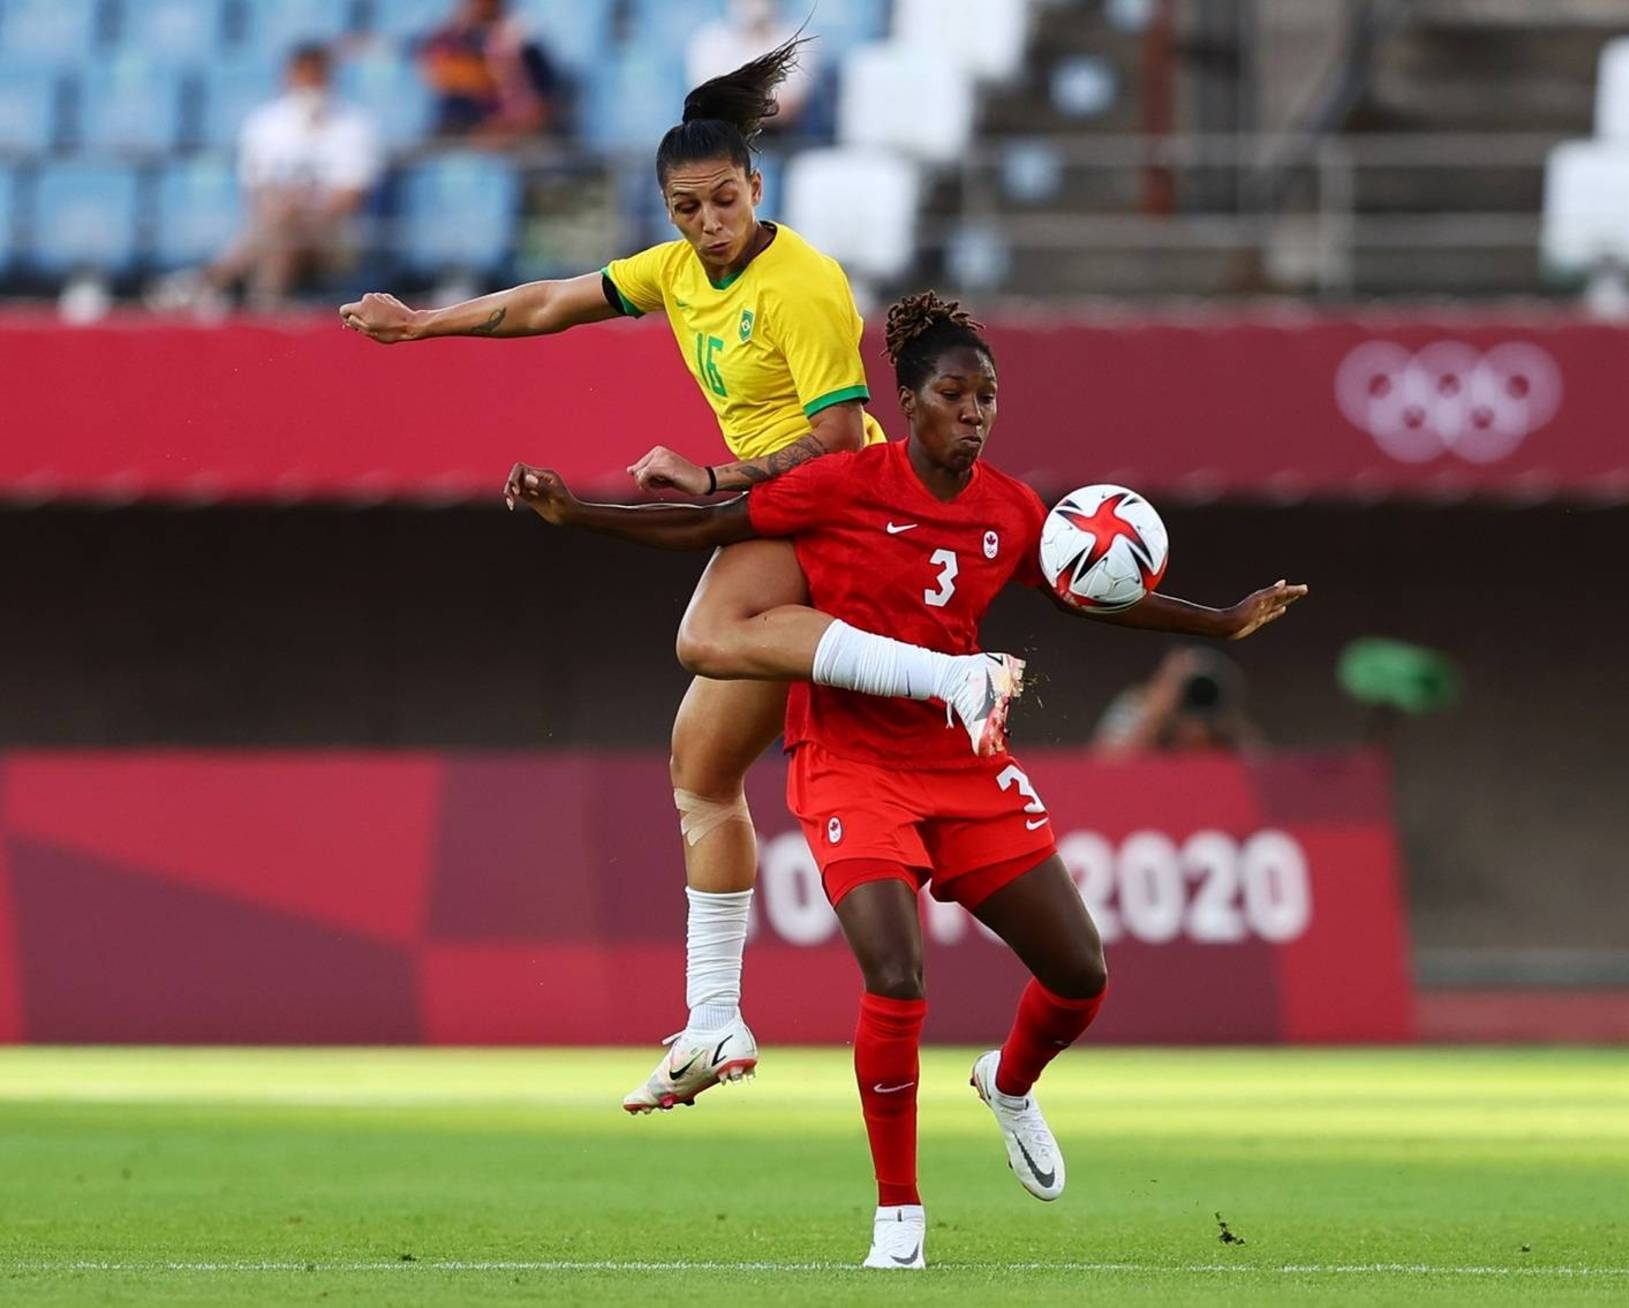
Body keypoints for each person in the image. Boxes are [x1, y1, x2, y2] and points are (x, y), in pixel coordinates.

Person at [501, 292, 1308, 1267]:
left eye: (988, 398)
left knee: (1081, 974)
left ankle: (1007, 1085)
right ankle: (899, 1219)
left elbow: (1090, 594)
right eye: (956, 395)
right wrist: (576, 513)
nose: (975, 413)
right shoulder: (844, 484)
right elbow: (711, 525)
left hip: (959, 763)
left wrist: (1220, 622)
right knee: (896, 973)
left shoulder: (1011, 508)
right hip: (850, 765)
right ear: (910, 401)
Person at [339, 41, 1026, 1115]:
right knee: (701, 776)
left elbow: (844, 444)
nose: (707, 223)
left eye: (723, 201)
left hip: (831, 509)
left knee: (706, 632)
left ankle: (951, 681)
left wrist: (714, 473)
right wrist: (423, 325)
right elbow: (548, 303)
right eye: (685, 207)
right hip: (765, 506)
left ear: (759, 189)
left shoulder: (800, 282)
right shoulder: (673, 272)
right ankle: (714, 1020)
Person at [199, 43, 382, 309]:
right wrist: (287, 211)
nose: (310, 84)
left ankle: (212, 282)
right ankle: (266, 305)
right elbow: (256, 193)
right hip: (277, 226)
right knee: (280, 231)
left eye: (316, 75)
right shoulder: (265, 123)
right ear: (288, 76)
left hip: (335, 235)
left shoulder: (354, 125)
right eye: (303, 75)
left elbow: (350, 199)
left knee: (278, 225)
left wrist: (301, 210)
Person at [419, 0, 556, 141]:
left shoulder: (526, 49)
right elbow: (434, 71)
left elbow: (544, 109)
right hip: (457, 136)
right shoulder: (449, 45)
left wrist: (509, 131)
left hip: (516, 141)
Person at [1092, 646, 1264, 757]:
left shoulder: (1228, 738)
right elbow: (1106, 768)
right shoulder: (1140, 707)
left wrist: (1227, 727)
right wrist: (1159, 708)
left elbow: (1262, 773)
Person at [686, 0, 815, 133]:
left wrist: (729, 103)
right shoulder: (709, 40)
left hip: (781, 142)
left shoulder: (797, 39)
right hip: (721, 139)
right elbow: (704, 103)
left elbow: (788, 109)